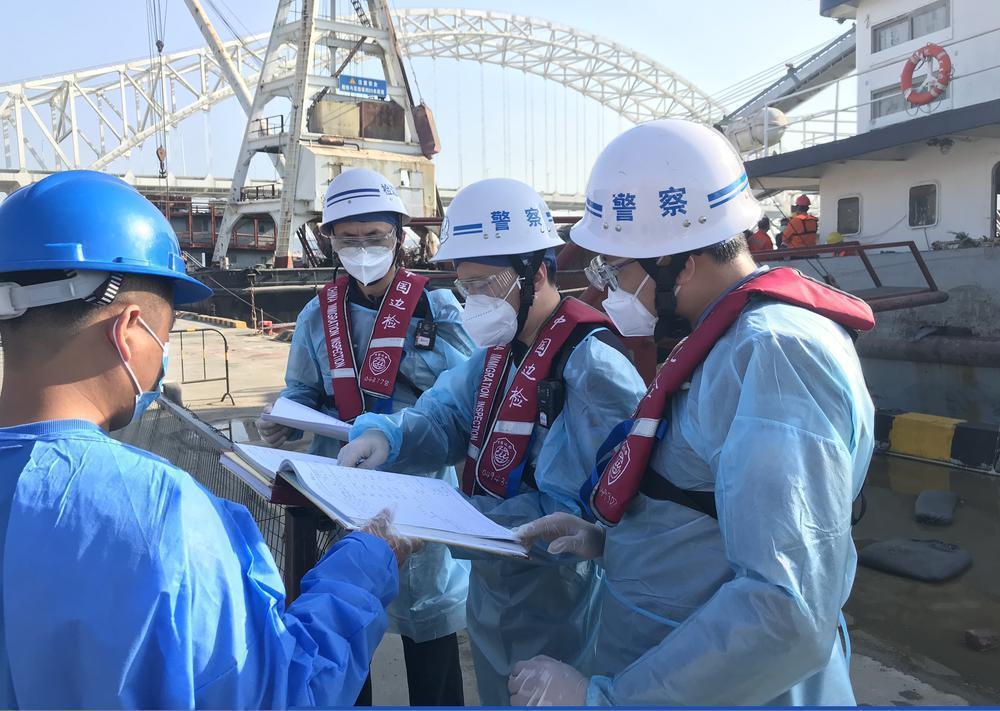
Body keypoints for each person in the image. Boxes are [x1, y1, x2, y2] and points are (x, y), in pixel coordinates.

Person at [0, 171, 417, 708]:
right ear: (129, 333)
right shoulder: (164, 515)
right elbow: (283, 690)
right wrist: (365, 561)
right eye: (165, 334)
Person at [509, 119, 876, 706]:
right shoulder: (724, 339)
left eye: (617, 269)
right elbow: (711, 507)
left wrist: (607, 701)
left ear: (681, 262)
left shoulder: (776, 356)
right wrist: (612, 540)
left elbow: (785, 606)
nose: (607, 292)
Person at [336, 178, 647, 704]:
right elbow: (442, 418)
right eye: (466, 287)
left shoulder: (594, 370)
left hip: (560, 601)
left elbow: (580, 511)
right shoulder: (497, 355)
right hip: (493, 588)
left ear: (538, 271)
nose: (473, 302)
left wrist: (456, 520)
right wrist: (385, 437)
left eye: (486, 285)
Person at [255, 167, 473, 707]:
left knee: (428, 627)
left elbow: (471, 397)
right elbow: (302, 390)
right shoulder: (316, 315)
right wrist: (285, 417)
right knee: (346, 620)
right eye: (347, 239)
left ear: (398, 237)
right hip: (341, 488)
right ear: (329, 240)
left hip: (417, 490)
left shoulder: (436, 308)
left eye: (374, 238)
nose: (361, 250)